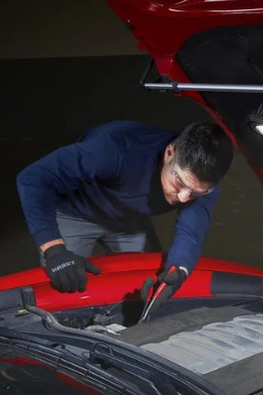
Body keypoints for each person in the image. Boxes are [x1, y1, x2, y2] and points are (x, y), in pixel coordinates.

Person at [16, 120, 234, 296]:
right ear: (169, 153)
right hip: (76, 214)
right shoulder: (113, 149)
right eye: (180, 184)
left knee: (151, 283)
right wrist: (54, 249)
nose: (184, 198)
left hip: (130, 221)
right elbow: (34, 178)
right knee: (65, 283)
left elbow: (191, 229)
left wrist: (180, 270)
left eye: (196, 192)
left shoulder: (205, 180)